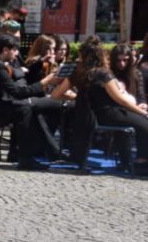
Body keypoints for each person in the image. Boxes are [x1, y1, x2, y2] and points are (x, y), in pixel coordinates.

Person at [52, 38, 148, 173]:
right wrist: (142, 112)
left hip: (87, 116)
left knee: (140, 123)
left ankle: (135, 162)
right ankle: (142, 163)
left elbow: (55, 94)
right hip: (108, 114)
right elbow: (121, 100)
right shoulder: (103, 73)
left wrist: (77, 97)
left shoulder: (77, 73)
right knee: (144, 124)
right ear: (101, 55)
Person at [0, 34, 64, 169]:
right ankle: (28, 157)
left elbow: (23, 75)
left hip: (7, 103)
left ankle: (48, 152)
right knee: (28, 108)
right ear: (5, 50)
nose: (17, 53)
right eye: (14, 50)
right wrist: (44, 82)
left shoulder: (1, 63)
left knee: (30, 108)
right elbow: (17, 93)